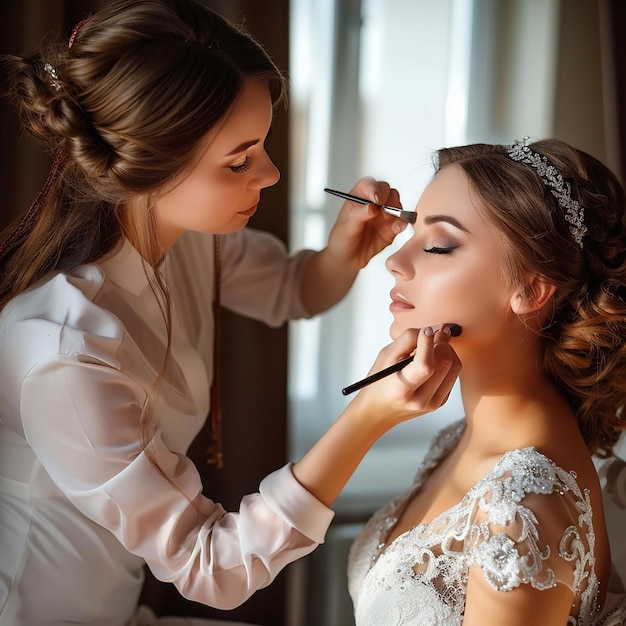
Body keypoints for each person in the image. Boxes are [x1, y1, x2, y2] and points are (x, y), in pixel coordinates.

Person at [0, 1, 463, 625]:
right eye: (240, 161)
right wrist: (369, 415)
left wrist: (340, 254)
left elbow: (294, 290)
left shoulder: (188, 243)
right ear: (149, 166)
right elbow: (210, 566)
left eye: (263, 146)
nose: (270, 174)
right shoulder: (64, 354)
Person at [347, 137, 626, 625]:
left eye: (437, 245)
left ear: (531, 288)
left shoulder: (523, 506)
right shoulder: (458, 438)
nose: (394, 261)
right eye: (411, 233)